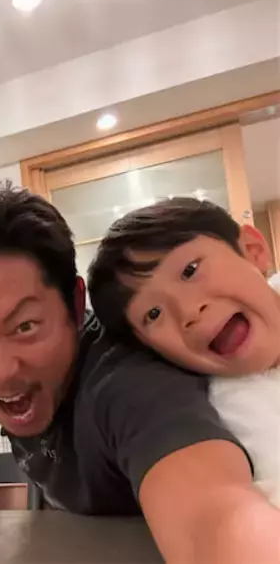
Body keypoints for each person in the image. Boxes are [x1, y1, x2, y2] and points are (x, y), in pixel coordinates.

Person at [0, 183, 280, 563]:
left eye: (25, 327)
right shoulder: (34, 387)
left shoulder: (130, 385)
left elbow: (215, 517)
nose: (0, 372)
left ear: (75, 304)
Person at [87, 197, 280, 506]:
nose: (189, 310)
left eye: (190, 270)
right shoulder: (226, 422)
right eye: (153, 314)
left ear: (252, 250)